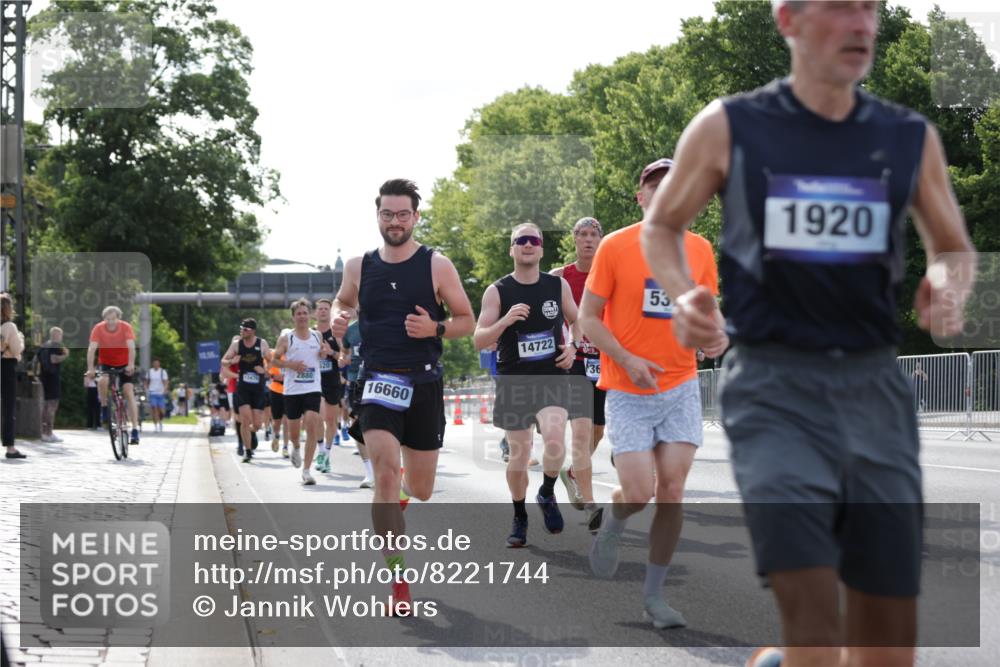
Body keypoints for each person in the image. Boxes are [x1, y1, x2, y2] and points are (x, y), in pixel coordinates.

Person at [641, 2, 976, 664]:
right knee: (815, 612)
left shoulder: (909, 136)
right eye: (841, 7)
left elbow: (952, 245)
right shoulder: (729, 126)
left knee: (887, 641)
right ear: (790, 19)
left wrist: (947, 284)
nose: (863, 24)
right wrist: (686, 296)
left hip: (874, 386)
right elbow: (662, 225)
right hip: (773, 386)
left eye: (871, 9)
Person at [580, 158, 724, 630]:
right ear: (640, 197)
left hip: (679, 384)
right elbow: (589, 318)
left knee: (672, 492)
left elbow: (706, 312)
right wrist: (627, 359)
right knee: (639, 491)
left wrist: (715, 337)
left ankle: (655, 598)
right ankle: (616, 523)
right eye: (654, 187)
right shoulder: (616, 246)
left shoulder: (700, 250)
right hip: (627, 387)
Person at [331, 178, 475, 614]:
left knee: (422, 488)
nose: (395, 221)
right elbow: (342, 301)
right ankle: (399, 581)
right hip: (377, 382)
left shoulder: (437, 265)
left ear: (415, 216)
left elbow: (466, 320)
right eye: (387, 214)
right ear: (378, 216)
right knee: (386, 475)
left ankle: (402, 502)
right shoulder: (359, 266)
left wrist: (435, 329)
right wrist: (340, 317)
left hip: (425, 383)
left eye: (403, 214)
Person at [474, 222, 579, 547]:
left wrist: (573, 347)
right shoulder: (498, 291)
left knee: (555, 442)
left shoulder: (556, 286)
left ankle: (546, 492)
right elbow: (479, 339)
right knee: (519, 455)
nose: (528, 244)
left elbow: (576, 320)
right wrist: (505, 321)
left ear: (542, 249)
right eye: (521, 240)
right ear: (512, 249)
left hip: (551, 377)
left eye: (534, 239)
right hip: (514, 379)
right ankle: (519, 515)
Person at [551, 217, 607, 532]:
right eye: (582, 234)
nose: (588, 240)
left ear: (600, 240)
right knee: (582, 432)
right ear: (574, 239)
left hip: (604, 361)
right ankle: (590, 504)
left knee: (598, 431)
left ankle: (573, 473)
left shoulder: (610, 273)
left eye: (593, 235)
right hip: (573, 360)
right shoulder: (560, 277)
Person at [271, 299, 332, 485]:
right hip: (292, 391)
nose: (303, 316)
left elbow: (321, 355)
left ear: (309, 315)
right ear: (293, 317)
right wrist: (291, 365)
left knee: (312, 425)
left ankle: (306, 471)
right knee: (295, 431)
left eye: (305, 313)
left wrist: (324, 353)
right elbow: (274, 361)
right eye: (299, 314)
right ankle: (295, 446)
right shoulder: (286, 338)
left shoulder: (316, 336)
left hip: (312, 388)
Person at [86, 306, 140, 445]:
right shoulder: (98, 328)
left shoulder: (125, 327)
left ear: (118, 318)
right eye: (108, 319)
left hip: (124, 363)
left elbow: (131, 347)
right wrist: (91, 368)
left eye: (113, 319)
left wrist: (131, 364)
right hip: (106, 362)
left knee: (128, 391)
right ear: (104, 319)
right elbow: (92, 349)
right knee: (102, 381)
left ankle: (134, 429)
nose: (111, 322)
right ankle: (104, 407)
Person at [221, 319, 270, 463]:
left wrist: (264, 370)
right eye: (241, 328)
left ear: (253, 331)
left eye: (246, 329)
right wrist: (231, 362)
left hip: (258, 388)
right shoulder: (237, 345)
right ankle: (247, 451)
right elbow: (223, 360)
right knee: (244, 419)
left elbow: (272, 361)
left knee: (257, 424)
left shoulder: (262, 343)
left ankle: (251, 433)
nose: (242, 331)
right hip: (243, 387)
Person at [342, 317, 374, 487]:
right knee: (357, 423)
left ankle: (386, 463)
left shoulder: (382, 322)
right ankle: (369, 472)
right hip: (356, 380)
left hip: (379, 378)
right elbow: (344, 351)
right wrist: (343, 358)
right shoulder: (350, 330)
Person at [314, 298, 344, 474]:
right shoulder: (310, 333)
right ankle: (320, 452)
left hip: (332, 380)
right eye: (320, 309)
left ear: (330, 311)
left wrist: (331, 352)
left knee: (331, 421)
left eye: (326, 308)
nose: (323, 311)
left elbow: (343, 358)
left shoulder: (337, 333)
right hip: (315, 381)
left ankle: (327, 453)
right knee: (318, 416)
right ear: (315, 313)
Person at [1, 293, 26, 459]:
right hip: (6, 366)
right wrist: (21, 340)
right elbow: (16, 350)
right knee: (8, 408)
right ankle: (10, 448)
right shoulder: (9, 326)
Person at [36, 327, 69, 443]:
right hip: (52, 378)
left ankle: (44, 432)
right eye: (59, 335)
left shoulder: (44, 346)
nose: (60, 338)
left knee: (45, 406)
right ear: (55, 335)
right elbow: (54, 359)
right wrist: (65, 355)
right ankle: (48, 433)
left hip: (43, 378)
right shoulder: (55, 346)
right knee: (52, 405)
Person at [145, 358, 169, 432]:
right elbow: (146, 382)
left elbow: (166, 382)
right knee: (154, 409)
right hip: (152, 393)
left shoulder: (162, 371)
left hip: (160, 393)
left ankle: (161, 422)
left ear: (159, 364)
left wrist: (164, 390)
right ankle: (156, 426)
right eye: (154, 363)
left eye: (157, 363)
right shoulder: (149, 372)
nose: (155, 364)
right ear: (153, 364)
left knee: (161, 410)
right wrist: (146, 389)